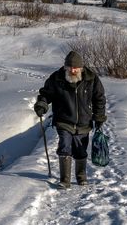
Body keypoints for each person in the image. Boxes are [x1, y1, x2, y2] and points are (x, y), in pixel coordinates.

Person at [33, 50, 107, 189]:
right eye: (70, 67)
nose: (73, 70)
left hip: (84, 122)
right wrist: (41, 104)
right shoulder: (57, 78)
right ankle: (65, 180)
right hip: (63, 120)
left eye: (76, 68)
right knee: (64, 146)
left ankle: (81, 177)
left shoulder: (91, 79)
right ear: (65, 66)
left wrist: (99, 117)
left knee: (80, 149)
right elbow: (45, 94)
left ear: (81, 68)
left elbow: (99, 99)